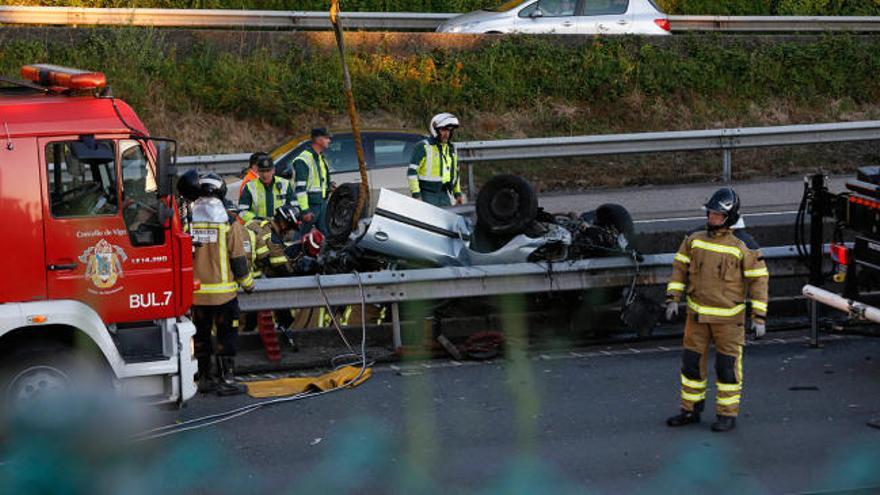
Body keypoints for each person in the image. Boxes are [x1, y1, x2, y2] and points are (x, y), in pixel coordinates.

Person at [665, 187, 769, 432]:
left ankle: (727, 414)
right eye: (710, 213)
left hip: (728, 321)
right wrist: (672, 298)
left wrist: (759, 317)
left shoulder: (744, 245)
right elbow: (679, 269)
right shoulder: (694, 238)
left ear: (729, 217)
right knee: (690, 366)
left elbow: (759, 280)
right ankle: (690, 410)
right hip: (696, 316)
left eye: (716, 215)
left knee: (727, 368)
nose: (711, 218)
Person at [187, 172, 255, 396]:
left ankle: (205, 378)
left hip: (196, 296)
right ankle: (226, 379)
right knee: (227, 337)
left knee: (201, 337)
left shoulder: (188, 222)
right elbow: (238, 258)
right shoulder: (229, 222)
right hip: (224, 296)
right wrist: (248, 284)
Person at [408, 113, 465, 207]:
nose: (447, 134)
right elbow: (412, 172)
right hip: (427, 195)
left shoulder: (451, 148)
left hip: (445, 194)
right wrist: (416, 195)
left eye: (450, 131)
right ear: (435, 129)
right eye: (443, 130)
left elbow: (455, 172)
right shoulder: (423, 146)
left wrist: (457, 194)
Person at [293, 128, 334, 232]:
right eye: (326, 138)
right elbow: (300, 188)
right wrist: (305, 210)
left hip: (321, 203)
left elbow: (319, 181)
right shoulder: (303, 159)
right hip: (310, 206)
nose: (329, 140)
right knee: (301, 237)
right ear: (318, 140)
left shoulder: (321, 158)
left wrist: (329, 186)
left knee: (325, 235)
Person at [239, 153, 294, 222]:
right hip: (259, 228)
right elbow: (242, 212)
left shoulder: (285, 184)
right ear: (257, 171)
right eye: (262, 171)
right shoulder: (249, 186)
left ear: (273, 170)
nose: (265, 175)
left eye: (268, 170)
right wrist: (257, 220)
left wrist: (285, 216)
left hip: (282, 227)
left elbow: (294, 207)